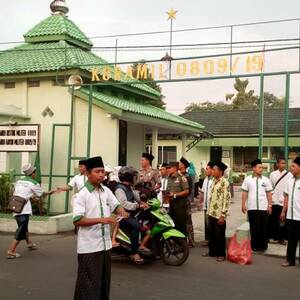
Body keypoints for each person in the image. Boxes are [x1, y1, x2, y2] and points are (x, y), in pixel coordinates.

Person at [73, 156, 128, 300]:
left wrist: (121, 211)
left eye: (103, 172)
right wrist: (102, 220)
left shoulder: (106, 191)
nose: (101, 175)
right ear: (88, 174)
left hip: (105, 246)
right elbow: (78, 220)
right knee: (89, 286)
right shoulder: (81, 195)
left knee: (103, 283)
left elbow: (115, 205)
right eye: (97, 171)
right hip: (89, 248)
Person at [6, 164, 56, 259]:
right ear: (32, 173)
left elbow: (20, 193)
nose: (35, 174)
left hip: (15, 208)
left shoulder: (19, 181)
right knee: (21, 230)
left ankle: (29, 243)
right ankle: (11, 251)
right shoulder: (33, 183)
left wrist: (31, 196)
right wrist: (51, 192)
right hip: (24, 210)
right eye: (34, 172)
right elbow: (41, 194)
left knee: (24, 227)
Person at [114, 166, 149, 264]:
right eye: (133, 176)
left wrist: (144, 201)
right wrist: (137, 205)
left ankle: (143, 245)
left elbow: (136, 196)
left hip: (131, 213)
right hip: (122, 215)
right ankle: (134, 252)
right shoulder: (119, 189)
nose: (135, 178)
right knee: (137, 226)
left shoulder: (128, 187)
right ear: (128, 177)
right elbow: (123, 204)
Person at [241, 159, 273, 252]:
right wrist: (243, 204)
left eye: (262, 167)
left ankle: (263, 246)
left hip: (263, 207)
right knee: (254, 228)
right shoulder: (248, 179)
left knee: (263, 228)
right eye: (259, 167)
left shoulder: (266, 180)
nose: (261, 169)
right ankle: (254, 246)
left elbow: (269, 193)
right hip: (252, 207)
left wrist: (270, 205)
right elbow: (244, 193)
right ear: (254, 168)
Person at [205, 161, 231, 262]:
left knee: (219, 235)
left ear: (220, 171)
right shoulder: (213, 181)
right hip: (211, 212)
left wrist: (223, 215)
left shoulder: (225, 182)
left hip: (219, 214)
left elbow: (226, 199)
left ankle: (221, 254)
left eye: (214, 170)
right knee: (211, 234)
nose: (212, 171)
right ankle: (212, 252)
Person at [280, 156, 300, 267]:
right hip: (291, 216)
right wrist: (283, 211)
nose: (291, 168)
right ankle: (290, 260)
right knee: (291, 240)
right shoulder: (289, 181)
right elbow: (286, 197)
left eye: (293, 166)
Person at [268, 158, 291, 244]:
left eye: (285, 163)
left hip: (283, 201)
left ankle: (283, 238)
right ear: (277, 164)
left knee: (283, 220)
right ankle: (274, 237)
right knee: (273, 220)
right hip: (274, 201)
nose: (284, 165)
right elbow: (270, 187)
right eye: (282, 163)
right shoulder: (272, 174)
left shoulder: (289, 175)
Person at [165, 162, 190, 235]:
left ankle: (183, 243)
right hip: (172, 204)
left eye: (170, 168)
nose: (168, 169)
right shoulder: (169, 178)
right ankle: (175, 243)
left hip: (180, 204)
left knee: (181, 225)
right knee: (173, 223)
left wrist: (175, 195)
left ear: (175, 168)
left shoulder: (181, 177)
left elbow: (187, 191)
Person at [179, 157, 195, 247]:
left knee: (188, 222)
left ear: (183, 165)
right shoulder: (178, 175)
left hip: (185, 201)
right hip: (179, 202)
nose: (178, 164)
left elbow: (189, 190)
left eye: (180, 163)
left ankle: (191, 241)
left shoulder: (187, 176)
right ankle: (182, 240)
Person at [199, 162, 214, 247]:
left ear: (212, 170)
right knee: (206, 223)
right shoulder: (205, 180)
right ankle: (207, 239)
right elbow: (202, 191)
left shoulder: (214, 180)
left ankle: (212, 240)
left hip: (212, 207)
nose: (206, 170)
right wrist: (200, 201)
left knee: (211, 224)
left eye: (207, 169)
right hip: (206, 206)